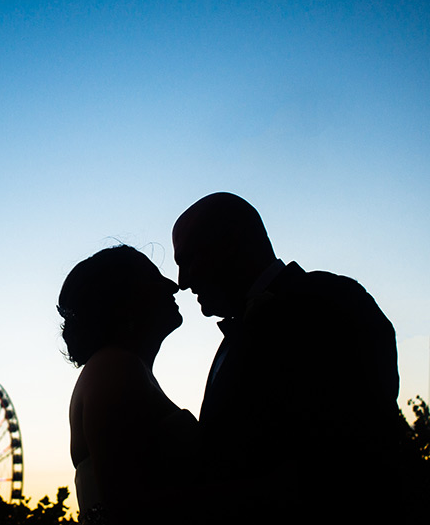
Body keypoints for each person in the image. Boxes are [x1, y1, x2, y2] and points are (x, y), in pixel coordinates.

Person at [172, 192, 403, 521]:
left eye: (189, 260)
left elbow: (351, 454)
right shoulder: (231, 341)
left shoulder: (332, 302)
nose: (183, 281)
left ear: (231, 243)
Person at [59, 245, 199, 524]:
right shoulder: (114, 369)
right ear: (123, 303)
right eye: (153, 277)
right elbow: (132, 505)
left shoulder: (118, 368)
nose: (173, 285)